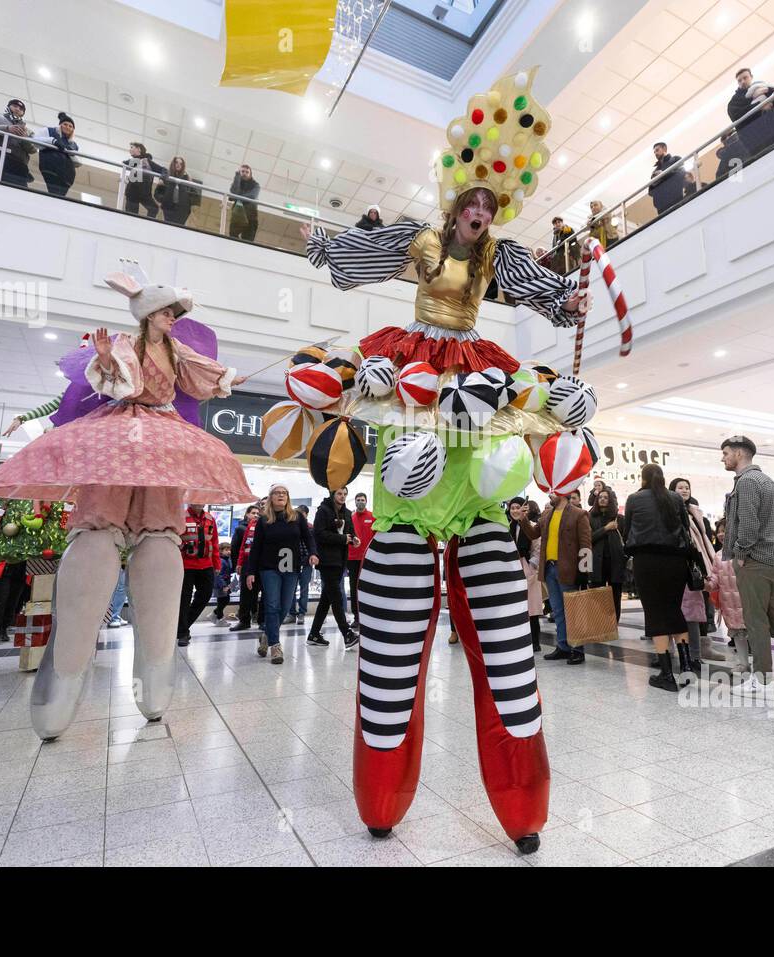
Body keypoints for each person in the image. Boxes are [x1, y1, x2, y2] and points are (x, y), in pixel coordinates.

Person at [298, 69, 591, 855]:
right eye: (472, 203)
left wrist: (567, 301)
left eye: (491, 207)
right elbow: (367, 252)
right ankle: (382, 796)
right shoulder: (421, 240)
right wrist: (329, 244)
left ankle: (524, 809)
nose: (479, 214)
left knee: (508, 666)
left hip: (481, 415)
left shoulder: (501, 254)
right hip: (417, 368)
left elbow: (540, 288)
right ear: (456, 195)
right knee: (390, 669)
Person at [0, 261, 253, 740]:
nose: (172, 318)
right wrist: (104, 358)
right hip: (121, 432)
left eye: (174, 311)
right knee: (100, 528)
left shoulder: (176, 348)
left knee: (162, 533)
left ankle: (155, 666)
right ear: (147, 314)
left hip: (163, 435)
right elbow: (113, 381)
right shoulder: (130, 344)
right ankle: (68, 670)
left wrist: (228, 379)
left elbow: (200, 374)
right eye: (166, 311)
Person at [720, 435, 774, 696]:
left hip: (756, 561)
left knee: (756, 620)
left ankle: (761, 680)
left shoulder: (747, 481)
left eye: (726, 453)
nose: (723, 458)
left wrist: (740, 552)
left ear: (739, 453)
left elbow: (748, 523)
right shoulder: (767, 481)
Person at [624, 464, 697, 690]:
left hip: (647, 562)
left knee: (655, 614)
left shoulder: (634, 499)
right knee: (675, 610)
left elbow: (627, 532)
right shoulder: (675, 498)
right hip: (675, 562)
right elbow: (685, 528)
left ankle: (666, 674)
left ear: (643, 479)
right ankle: (686, 669)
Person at [243, 486, 317, 664]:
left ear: (288, 498)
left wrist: (313, 553)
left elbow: (308, 538)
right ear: (271, 497)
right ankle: (275, 645)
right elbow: (256, 548)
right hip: (269, 568)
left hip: (291, 567)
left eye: (284, 493)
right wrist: (250, 572)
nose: (281, 495)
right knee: (272, 605)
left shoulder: (297, 517)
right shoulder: (264, 520)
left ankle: (267, 636)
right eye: (277, 493)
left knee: (284, 607)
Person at [526, 488, 592, 665]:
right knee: (558, 611)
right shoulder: (547, 514)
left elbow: (586, 544)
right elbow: (533, 534)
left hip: (569, 569)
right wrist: (522, 519)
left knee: (573, 612)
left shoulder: (579, 514)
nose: (550, 495)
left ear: (563, 492)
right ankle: (563, 647)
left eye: (553, 492)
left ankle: (578, 649)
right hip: (549, 569)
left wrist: (585, 573)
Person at [671, 478, 726, 664]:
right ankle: (685, 652)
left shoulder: (696, 512)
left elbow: (704, 538)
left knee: (701, 605)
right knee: (687, 609)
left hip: (700, 564)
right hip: (680, 564)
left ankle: (701, 649)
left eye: (687, 487)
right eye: (680, 488)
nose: (684, 490)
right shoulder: (670, 511)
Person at [308, 487, 359, 648]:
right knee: (336, 597)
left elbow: (351, 532)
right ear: (333, 495)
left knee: (326, 599)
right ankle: (347, 634)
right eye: (339, 494)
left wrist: (354, 539)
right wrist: (342, 538)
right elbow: (319, 534)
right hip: (327, 560)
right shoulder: (323, 511)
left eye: (345, 494)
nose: (342, 497)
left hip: (340, 560)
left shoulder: (348, 513)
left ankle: (314, 634)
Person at [177, 503, 222, 647]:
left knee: (205, 595)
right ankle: (183, 633)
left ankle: (181, 627)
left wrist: (217, 563)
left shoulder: (210, 518)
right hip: (185, 565)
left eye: (202, 499)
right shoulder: (181, 517)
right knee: (184, 599)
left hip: (206, 565)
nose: (199, 501)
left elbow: (214, 542)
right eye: (196, 498)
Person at [508, 498, 543, 652]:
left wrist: (531, 566)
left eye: (518, 507)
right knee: (516, 606)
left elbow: (538, 548)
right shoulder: (507, 526)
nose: (515, 511)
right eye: (512, 508)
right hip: (512, 568)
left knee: (532, 607)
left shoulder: (532, 525)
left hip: (527, 566)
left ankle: (535, 642)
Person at [727, 68, 774, 158]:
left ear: (751, 77)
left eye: (745, 78)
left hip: (772, 133)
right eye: (739, 80)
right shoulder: (734, 102)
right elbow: (737, 116)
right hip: (754, 142)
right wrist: (760, 106)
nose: (743, 81)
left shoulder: (762, 87)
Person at [588, 487, 625, 620]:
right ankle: (600, 622)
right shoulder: (590, 517)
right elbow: (589, 538)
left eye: (606, 497)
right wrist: (606, 528)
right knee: (598, 594)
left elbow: (626, 538)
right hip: (597, 562)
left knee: (616, 593)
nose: (603, 499)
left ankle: (614, 623)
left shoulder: (619, 518)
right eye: (601, 497)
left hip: (615, 561)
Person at [0, 99, 35, 188]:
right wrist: (7, 128)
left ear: (23, 113)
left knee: (20, 189)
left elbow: (33, 149)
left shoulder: (28, 131)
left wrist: (24, 138)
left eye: (21, 109)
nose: (18, 109)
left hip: (19, 163)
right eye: (15, 106)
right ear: (8, 107)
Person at [228, 504, 262, 631]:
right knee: (246, 593)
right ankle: (244, 620)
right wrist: (239, 563)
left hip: (263, 564)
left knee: (263, 593)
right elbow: (242, 546)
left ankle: (261, 620)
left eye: (258, 512)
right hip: (248, 564)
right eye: (253, 512)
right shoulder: (247, 526)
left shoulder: (268, 523)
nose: (256, 514)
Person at [346, 492, 374, 630]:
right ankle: (357, 617)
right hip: (352, 558)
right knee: (354, 588)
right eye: (358, 500)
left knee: (368, 588)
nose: (360, 502)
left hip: (369, 559)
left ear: (366, 501)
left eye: (362, 500)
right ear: (355, 502)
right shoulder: (350, 518)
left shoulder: (373, 517)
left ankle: (368, 616)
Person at [37, 112, 80, 196]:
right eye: (65, 124)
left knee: (59, 197)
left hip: (67, 178)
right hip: (50, 170)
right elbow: (35, 141)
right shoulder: (49, 131)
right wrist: (53, 141)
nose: (67, 127)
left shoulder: (73, 144)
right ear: (60, 125)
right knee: (54, 195)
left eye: (70, 126)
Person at [156, 156, 202, 226]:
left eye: (181, 164)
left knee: (178, 229)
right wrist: (164, 199)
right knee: (167, 227)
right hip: (168, 207)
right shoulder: (166, 176)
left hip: (182, 210)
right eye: (176, 162)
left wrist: (190, 183)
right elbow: (157, 193)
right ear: (173, 164)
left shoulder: (186, 178)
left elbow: (196, 197)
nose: (178, 165)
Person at [648, 142, 691, 216]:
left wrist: (663, 174)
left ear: (664, 148)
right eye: (654, 152)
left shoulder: (675, 159)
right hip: (661, 207)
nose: (655, 153)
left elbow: (681, 173)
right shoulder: (654, 171)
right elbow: (650, 192)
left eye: (657, 150)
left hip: (676, 200)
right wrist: (654, 183)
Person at [123, 143, 164, 218]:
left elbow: (163, 170)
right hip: (133, 194)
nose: (130, 149)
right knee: (131, 217)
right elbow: (124, 163)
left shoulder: (147, 161)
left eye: (132, 147)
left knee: (154, 208)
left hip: (144, 194)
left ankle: (147, 224)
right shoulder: (133, 161)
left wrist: (161, 179)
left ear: (139, 149)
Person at [228, 163, 261, 241]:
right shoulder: (237, 183)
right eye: (242, 171)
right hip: (237, 214)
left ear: (250, 174)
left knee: (248, 240)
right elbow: (233, 192)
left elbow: (252, 196)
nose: (244, 174)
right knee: (232, 237)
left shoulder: (255, 185)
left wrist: (237, 198)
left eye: (247, 172)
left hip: (251, 216)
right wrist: (237, 176)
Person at [211, 542, 234, 622]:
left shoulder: (227, 559)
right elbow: (218, 575)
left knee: (225, 600)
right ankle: (219, 618)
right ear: (220, 551)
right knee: (222, 601)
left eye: (229, 549)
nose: (229, 552)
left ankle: (215, 614)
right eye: (226, 550)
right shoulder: (221, 561)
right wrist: (223, 585)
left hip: (225, 584)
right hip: (220, 585)